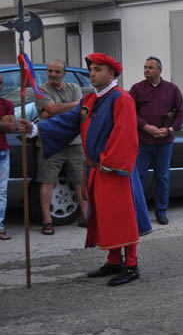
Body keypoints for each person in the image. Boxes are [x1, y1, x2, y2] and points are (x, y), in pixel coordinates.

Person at [18, 53, 152, 286]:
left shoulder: (122, 99)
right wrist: (35, 129)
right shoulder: (89, 101)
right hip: (96, 170)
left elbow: (125, 136)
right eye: (91, 69)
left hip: (114, 171)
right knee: (105, 217)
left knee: (123, 218)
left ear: (111, 73)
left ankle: (131, 265)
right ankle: (113, 261)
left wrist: (110, 164)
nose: (91, 73)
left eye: (97, 69)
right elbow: (68, 121)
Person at [130, 56, 183, 225]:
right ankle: (137, 211)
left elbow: (181, 113)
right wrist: (146, 127)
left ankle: (161, 211)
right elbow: (130, 112)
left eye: (150, 67)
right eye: (145, 67)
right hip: (142, 141)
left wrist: (169, 130)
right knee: (138, 178)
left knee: (162, 177)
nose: (146, 70)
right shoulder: (137, 89)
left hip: (164, 142)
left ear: (159, 70)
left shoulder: (172, 89)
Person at [35, 60, 88, 234]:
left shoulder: (74, 87)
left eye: (57, 71)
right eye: (50, 71)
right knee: (47, 181)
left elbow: (82, 110)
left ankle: (85, 217)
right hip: (51, 142)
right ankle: (47, 221)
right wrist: (75, 105)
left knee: (81, 181)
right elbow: (51, 109)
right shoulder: (41, 90)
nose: (53, 74)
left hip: (75, 142)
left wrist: (55, 110)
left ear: (64, 74)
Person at [0, 74, 15, 241]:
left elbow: (11, 126)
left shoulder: (7, 104)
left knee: (2, 191)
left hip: (3, 151)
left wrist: (5, 124)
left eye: (1, 82)